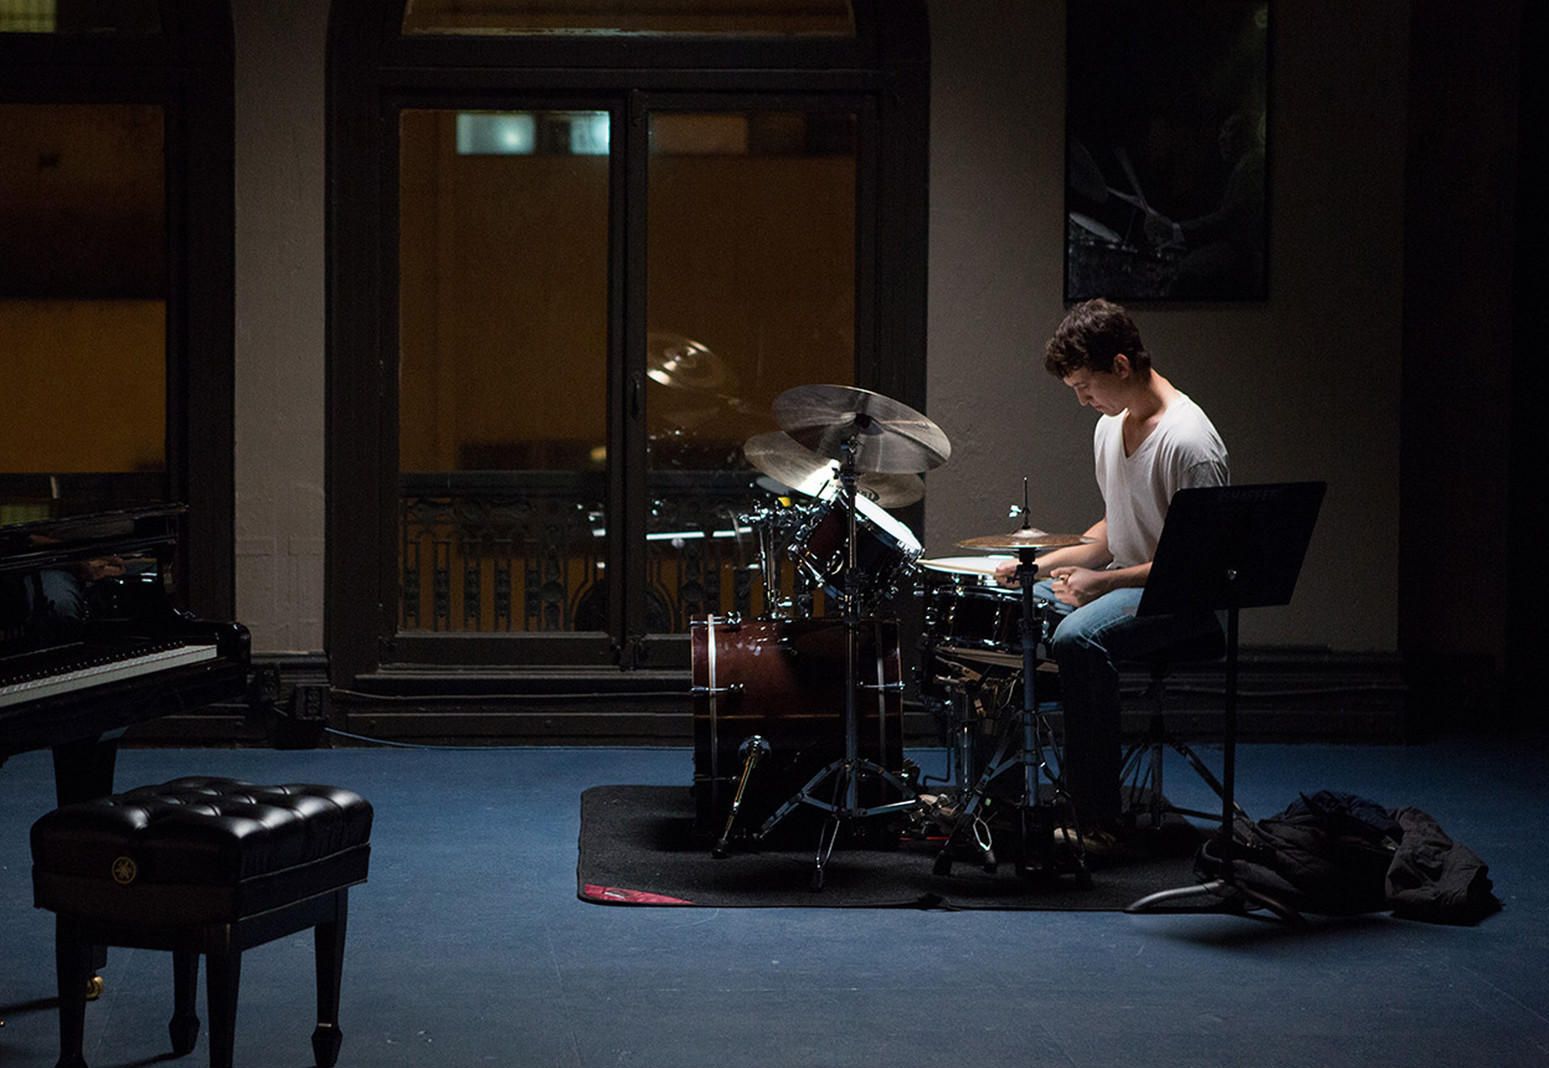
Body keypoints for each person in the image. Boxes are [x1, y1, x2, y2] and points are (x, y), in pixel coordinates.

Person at [996, 298, 1228, 834]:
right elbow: (1115, 527)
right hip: (1128, 584)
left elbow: (1194, 567)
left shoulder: (1189, 443)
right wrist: (1037, 565)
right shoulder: (1111, 424)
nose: (1083, 400)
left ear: (1120, 366)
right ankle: (1004, 804)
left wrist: (1102, 583)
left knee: (1079, 637)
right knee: (1011, 610)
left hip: (1181, 603)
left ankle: (1097, 818)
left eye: (1085, 387)